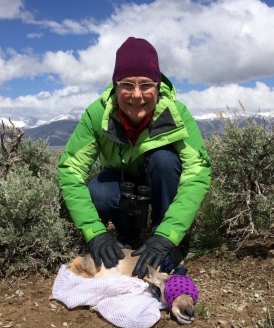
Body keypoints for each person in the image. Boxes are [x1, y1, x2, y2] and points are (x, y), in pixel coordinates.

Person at [58, 37, 211, 278]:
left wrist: (167, 235)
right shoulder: (97, 114)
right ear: (115, 86)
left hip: (159, 181)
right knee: (98, 190)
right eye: (127, 84)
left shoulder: (177, 114)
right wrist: (94, 232)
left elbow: (197, 173)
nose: (137, 95)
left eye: (146, 85)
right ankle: (126, 235)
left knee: (164, 159)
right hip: (122, 187)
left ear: (158, 86)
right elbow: (70, 170)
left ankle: (163, 242)